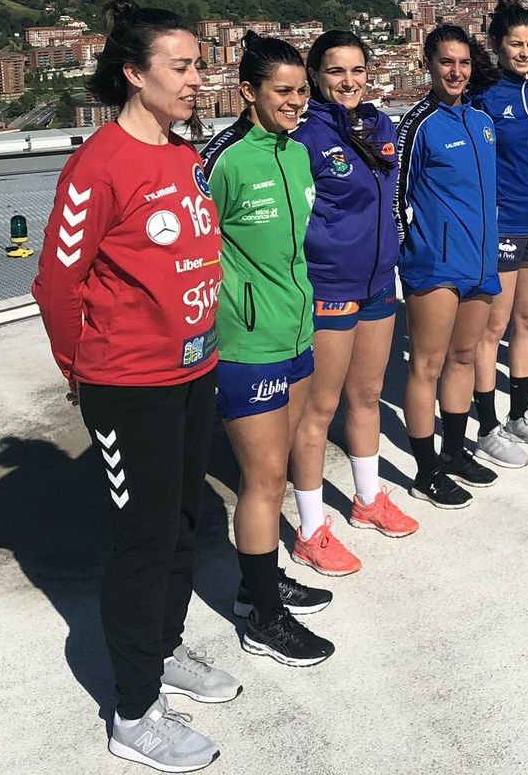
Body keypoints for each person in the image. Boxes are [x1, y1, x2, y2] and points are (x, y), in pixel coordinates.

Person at [33, 0, 235, 772]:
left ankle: (165, 649)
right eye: (181, 67)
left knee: (183, 523)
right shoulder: (99, 164)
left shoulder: (183, 156)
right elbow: (57, 284)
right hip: (129, 381)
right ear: (133, 74)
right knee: (141, 540)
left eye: (197, 64)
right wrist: (79, 371)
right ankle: (133, 709)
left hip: (194, 370)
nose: (196, 78)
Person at [200, 33, 335, 667]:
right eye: (282, 91)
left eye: (302, 90)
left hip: (297, 331)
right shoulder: (223, 159)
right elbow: (192, 252)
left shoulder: (299, 154)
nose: (296, 102)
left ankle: (264, 578)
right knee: (262, 481)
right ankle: (259, 614)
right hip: (246, 343)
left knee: (278, 472)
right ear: (248, 92)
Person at [289, 29, 418, 573]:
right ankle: (312, 528)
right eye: (337, 71)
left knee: (365, 396)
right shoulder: (304, 136)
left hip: (377, 283)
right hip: (330, 287)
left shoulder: (379, 124)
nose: (349, 81)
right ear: (316, 75)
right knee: (318, 409)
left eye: (357, 70)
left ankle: (367, 501)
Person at [394, 25, 501, 507]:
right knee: (428, 365)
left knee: (464, 358)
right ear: (428, 64)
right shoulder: (417, 123)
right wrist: (409, 248)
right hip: (435, 263)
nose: (456, 71)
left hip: (480, 260)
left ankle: (454, 452)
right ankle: (426, 468)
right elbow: (396, 197)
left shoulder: (481, 120)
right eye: (446, 62)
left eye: (463, 62)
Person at [470, 0, 528, 459]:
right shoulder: (485, 101)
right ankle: (487, 425)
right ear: (496, 46)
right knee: (495, 327)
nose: (525, 52)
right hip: (504, 225)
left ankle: (519, 413)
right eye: (515, 44)